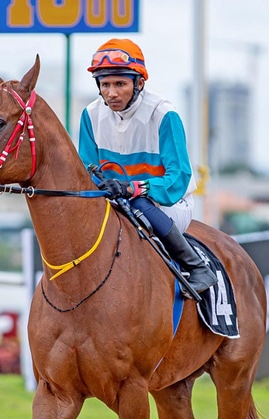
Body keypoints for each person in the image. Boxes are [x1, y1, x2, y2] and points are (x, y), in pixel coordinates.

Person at [78, 38, 216, 294]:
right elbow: (87, 169)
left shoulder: (164, 115)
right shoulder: (90, 115)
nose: (112, 93)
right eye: (105, 84)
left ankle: (197, 267)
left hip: (167, 204)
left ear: (139, 83)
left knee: (139, 205)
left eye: (120, 84)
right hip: (113, 202)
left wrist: (135, 188)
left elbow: (180, 178)